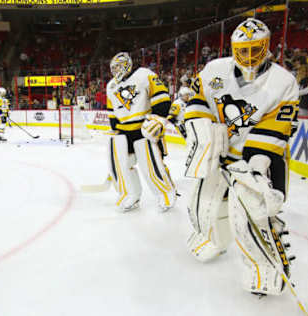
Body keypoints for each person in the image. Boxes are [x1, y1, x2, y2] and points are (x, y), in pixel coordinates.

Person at [183, 18, 298, 297]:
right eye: (242, 50)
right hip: (220, 155)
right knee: (201, 205)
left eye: (254, 49)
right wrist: (204, 126)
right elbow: (197, 101)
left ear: (267, 46)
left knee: (250, 214)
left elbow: (277, 128)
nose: (248, 56)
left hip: (259, 160)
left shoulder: (284, 82)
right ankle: (212, 238)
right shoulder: (214, 70)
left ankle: (267, 268)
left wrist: (256, 169)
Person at [106, 52, 177, 212]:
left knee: (150, 165)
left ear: (127, 64)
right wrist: (115, 128)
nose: (116, 70)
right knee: (124, 166)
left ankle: (165, 193)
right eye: (113, 68)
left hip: (143, 129)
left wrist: (158, 119)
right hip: (124, 133)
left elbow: (161, 97)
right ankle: (131, 194)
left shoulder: (144, 74)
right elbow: (112, 111)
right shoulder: (110, 86)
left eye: (118, 66)